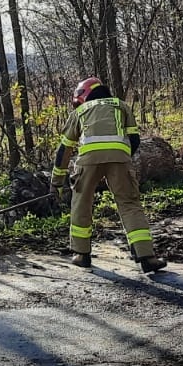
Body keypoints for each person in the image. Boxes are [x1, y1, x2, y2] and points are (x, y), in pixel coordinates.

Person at [53, 77, 167, 274]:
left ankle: (82, 255)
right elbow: (134, 138)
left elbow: (65, 148)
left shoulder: (80, 112)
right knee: (130, 204)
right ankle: (146, 256)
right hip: (119, 159)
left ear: (83, 95)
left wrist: (56, 181)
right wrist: (122, 159)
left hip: (88, 161)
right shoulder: (121, 105)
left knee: (81, 202)